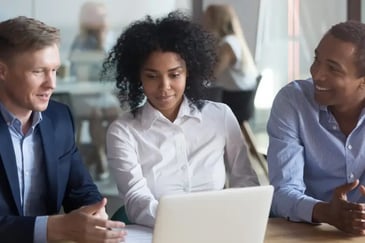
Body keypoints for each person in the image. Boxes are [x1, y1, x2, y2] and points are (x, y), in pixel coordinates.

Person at [102, 11, 259, 227]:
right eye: (152, 76)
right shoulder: (123, 131)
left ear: (189, 72)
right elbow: (136, 200)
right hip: (159, 234)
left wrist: (234, 219)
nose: (164, 86)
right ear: (138, 77)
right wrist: (185, 223)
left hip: (220, 230)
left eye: (174, 74)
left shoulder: (220, 116)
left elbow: (246, 182)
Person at [0, 16, 125, 242]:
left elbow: (81, 190)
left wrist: (95, 213)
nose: (52, 84)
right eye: (38, 71)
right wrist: (51, 228)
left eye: (55, 70)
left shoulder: (59, 118)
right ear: (2, 71)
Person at [267, 20, 365, 235]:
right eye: (316, 60)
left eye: (333, 68)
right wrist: (325, 211)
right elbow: (281, 193)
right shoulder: (293, 101)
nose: (317, 73)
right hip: (305, 234)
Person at [69, 0, 119, 181]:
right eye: (97, 16)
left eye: (103, 16)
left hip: (103, 93)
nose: (101, 19)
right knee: (95, 113)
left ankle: (105, 153)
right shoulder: (81, 40)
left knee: (115, 113)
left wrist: (102, 42)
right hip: (84, 95)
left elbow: (114, 67)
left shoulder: (111, 38)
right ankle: (100, 156)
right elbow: (77, 69)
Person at [203, 4, 259, 123]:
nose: (203, 23)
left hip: (239, 98)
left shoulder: (228, 45)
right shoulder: (233, 39)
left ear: (215, 21)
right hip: (240, 93)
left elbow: (213, 74)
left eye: (207, 19)